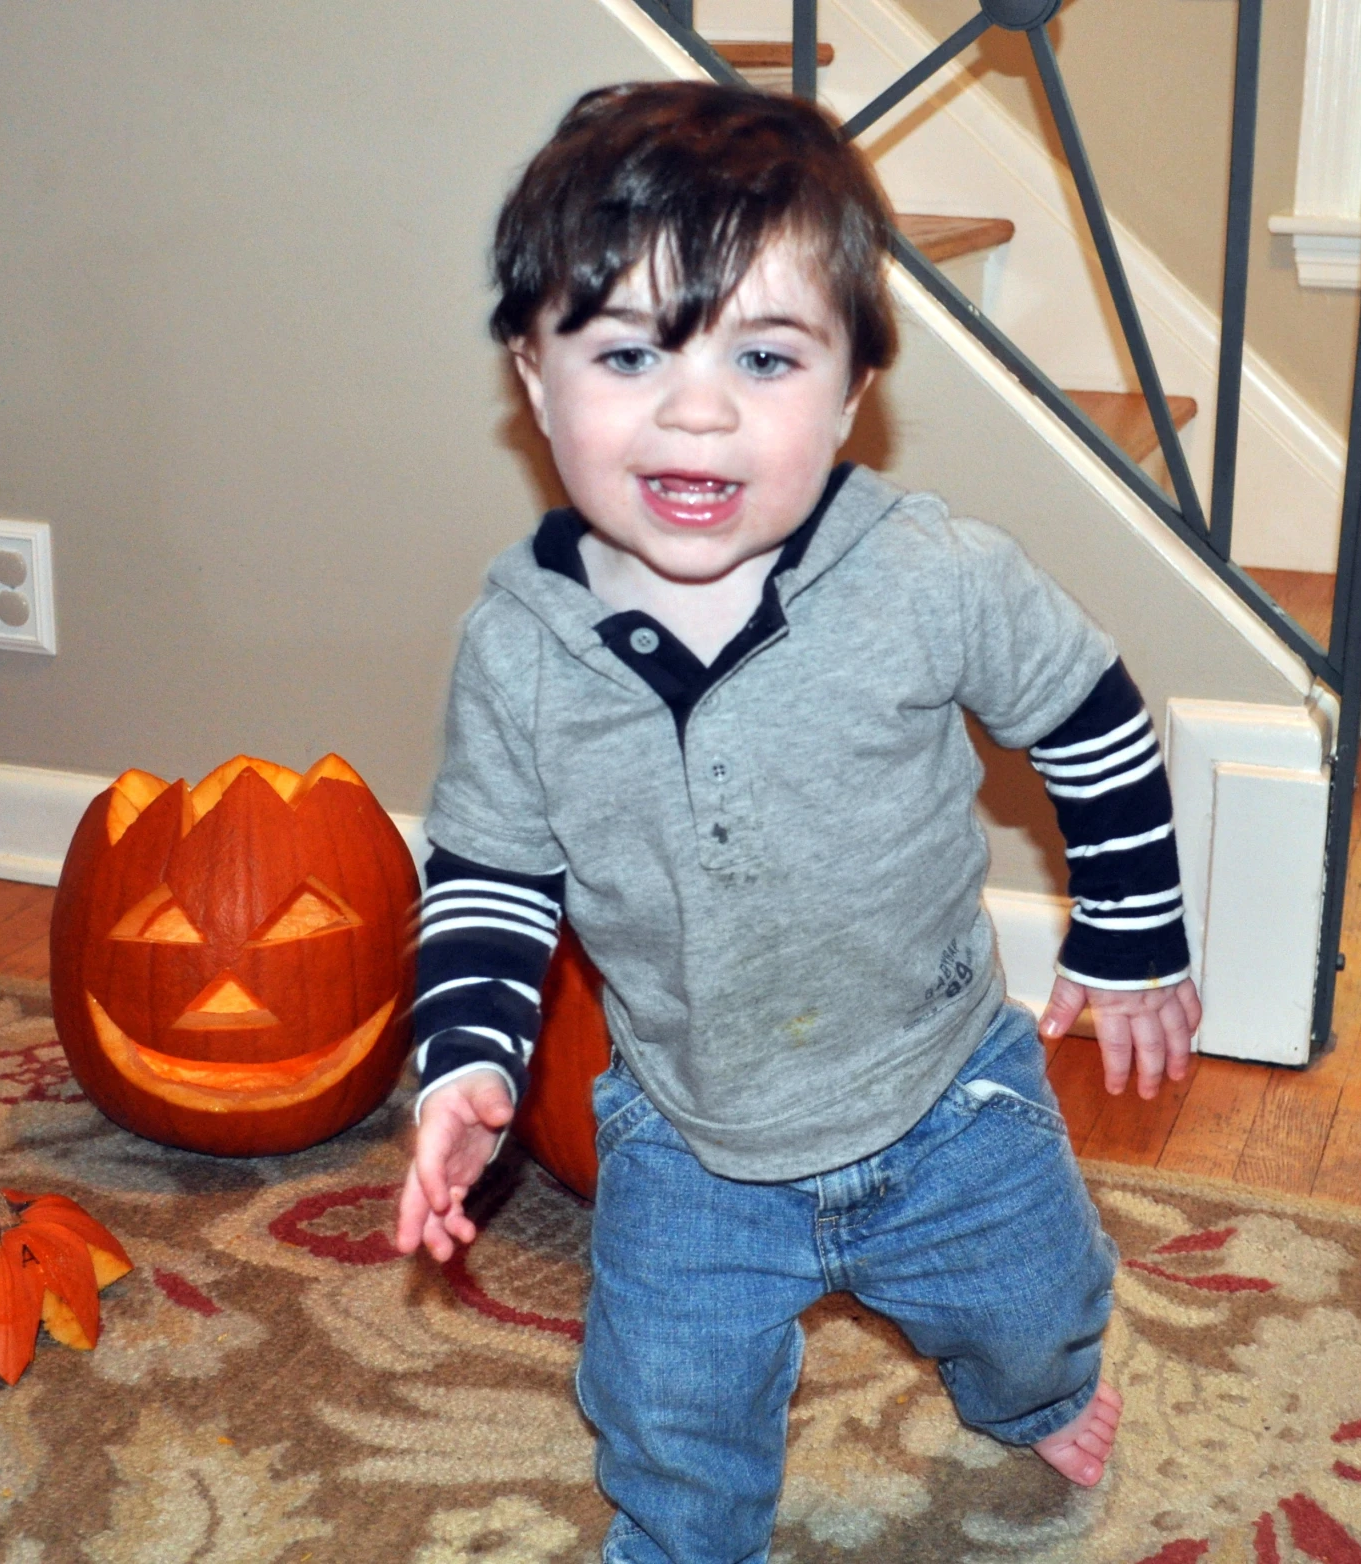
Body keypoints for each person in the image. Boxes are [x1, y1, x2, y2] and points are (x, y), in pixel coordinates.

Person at [391, 79, 1202, 1564]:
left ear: (847, 395)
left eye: (763, 357)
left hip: (945, 1096)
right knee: (665, 1412)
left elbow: (1090, 717)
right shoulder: (514, 645)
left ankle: (1036, 1386)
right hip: (688, 1132)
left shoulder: (929, 574)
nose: (696, 408)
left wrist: (1133, 933)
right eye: (628, 352)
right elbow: (490, 873)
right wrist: (463, 1067)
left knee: (1032, 1318)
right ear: (532, 375)